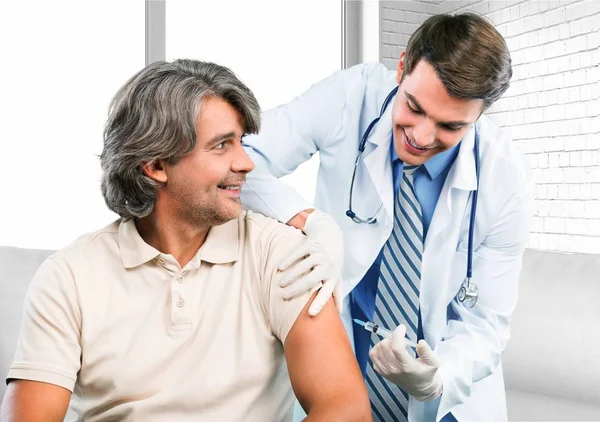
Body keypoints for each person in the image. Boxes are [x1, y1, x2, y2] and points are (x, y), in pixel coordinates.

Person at [0, 59, 371, 422]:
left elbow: (346, 409)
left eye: (241, 141)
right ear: (157, 165)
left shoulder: (279, 254)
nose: (247, 163)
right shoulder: (68, 277)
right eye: (222, 145)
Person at [240, 12, 534, 422]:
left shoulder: (505, 178)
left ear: (480, 116)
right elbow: (242, 158)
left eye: (450, 126)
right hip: (346, 373)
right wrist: (307, 220)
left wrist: (436, 378)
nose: (422, 136)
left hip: (448, 397)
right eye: (414, 106)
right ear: (401, 67)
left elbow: (486, 323)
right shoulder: (350, 96)